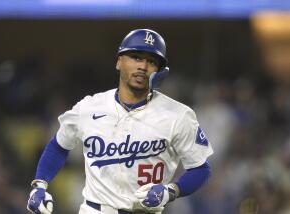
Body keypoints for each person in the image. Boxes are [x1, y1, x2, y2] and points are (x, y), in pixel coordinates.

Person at [27, 29, 214, 214]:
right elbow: (59, 145)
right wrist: (40, 184)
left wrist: (172, 191)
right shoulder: (89, 108)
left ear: (159, 71)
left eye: (151, 61)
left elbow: (201, 168)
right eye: (136, 57)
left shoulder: (178, 115)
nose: (143, 66)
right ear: (119, 62)